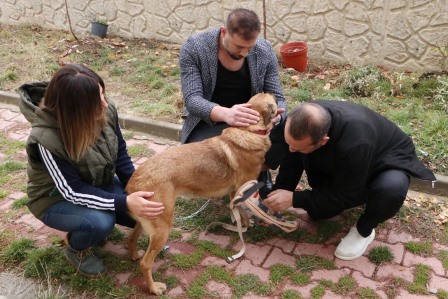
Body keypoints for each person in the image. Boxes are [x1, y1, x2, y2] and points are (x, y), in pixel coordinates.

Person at [18, 64, 165, 276]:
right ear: (74, 108)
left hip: (95, 183)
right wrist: (124, 201)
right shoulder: (45, 139)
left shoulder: (105, 110)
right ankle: (76, 248)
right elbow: (72, 191)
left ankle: (98, 218)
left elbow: (120, 153)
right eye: (97, 100)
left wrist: (134, 188)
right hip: (55, 198)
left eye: (103, 94)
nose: (105, 104)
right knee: (100, 222)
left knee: (142, 212)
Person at [264, 100, 437, 260]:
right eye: (290, 144)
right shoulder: (305, 121)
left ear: (323, 141)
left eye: (297, 147)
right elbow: (292, 160)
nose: (291, 150)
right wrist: (279, 192)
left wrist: (294, 199)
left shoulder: (355, 143)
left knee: (390, 190)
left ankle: (364, 230)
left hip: (386, 160)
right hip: (352, 158)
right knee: (317, 213)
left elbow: (347, 194)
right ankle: (354, 185)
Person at [179, 8, 288, 197]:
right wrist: (226, 114)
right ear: (224, 32)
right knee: (211, 158)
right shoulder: (195, 47)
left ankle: (258, 174)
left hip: (253, 124)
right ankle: (231, 183)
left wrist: (275, 118)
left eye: (250, 47)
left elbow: (278, 96)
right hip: (209, 123)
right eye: (239, 47)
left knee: (286, 131)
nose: (245, 53)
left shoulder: (264, 50)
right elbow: (192, 100)